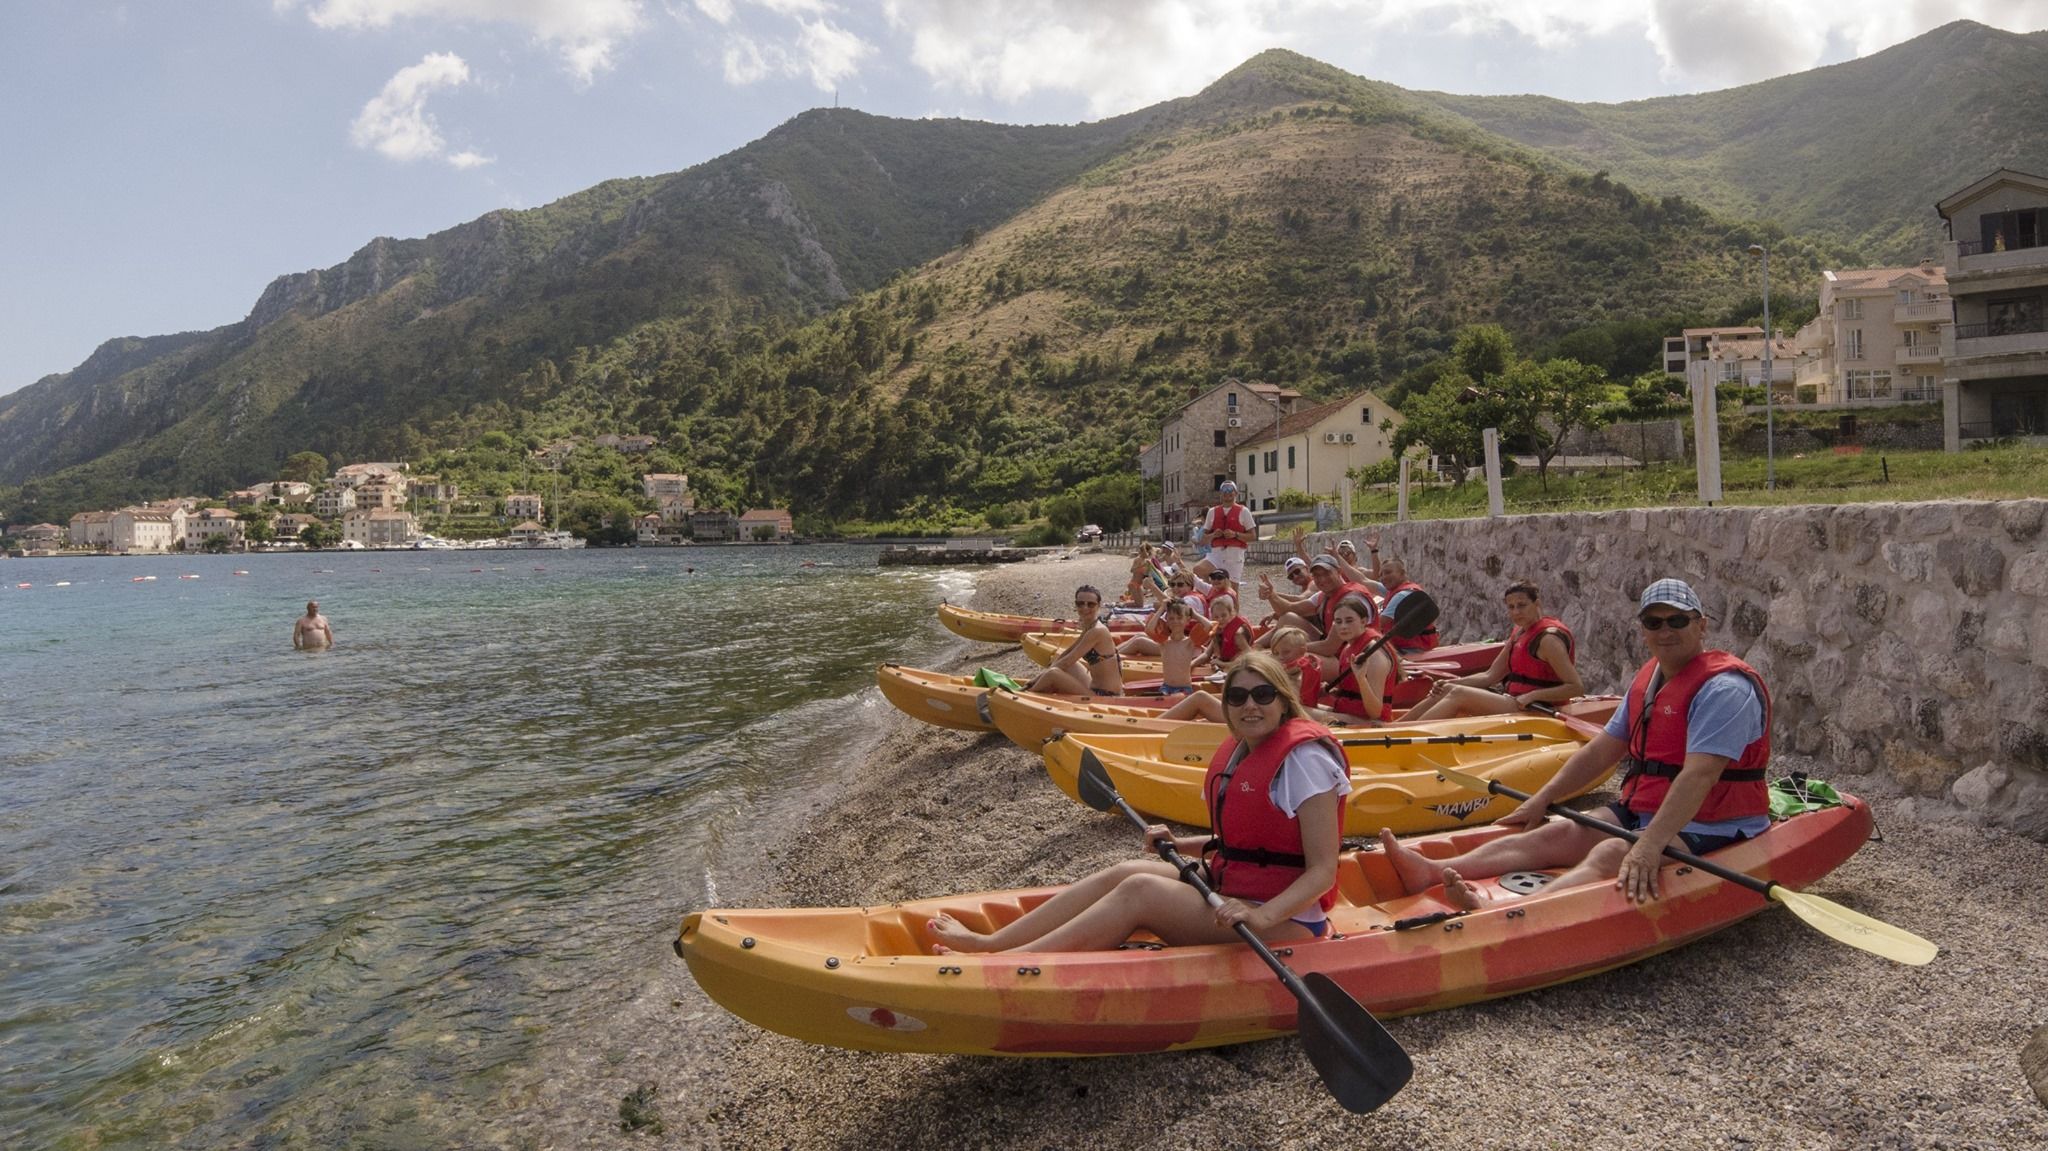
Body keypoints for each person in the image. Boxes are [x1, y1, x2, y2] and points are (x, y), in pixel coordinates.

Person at [1377, 578, 1773, 910]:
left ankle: (1506, 912)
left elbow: (1699, 775)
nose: (1665, 630)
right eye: (1654, 622)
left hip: (1716, 821)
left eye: (1677, 620)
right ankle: (1431, 871)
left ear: (1701, 625)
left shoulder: (1724, 689)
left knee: (1609, 854)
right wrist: (1544, 797)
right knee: (1554, 832)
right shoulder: (1651, 677)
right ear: (1643, 630)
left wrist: (1649, 846)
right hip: (1646, 806)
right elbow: (1603, 748)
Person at [928, 651, 1350, 952]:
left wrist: (1262, 917)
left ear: (1282, 699)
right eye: (1237, 698)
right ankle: (992, 943)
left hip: (1287, 921)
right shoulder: (1246, 748)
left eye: (1262, 695)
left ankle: (1011, 963)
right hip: (1234, 891)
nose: (1250, 706)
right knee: (1127, 869)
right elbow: (1251, 843)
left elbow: (1322, 870)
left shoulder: (1304, 760)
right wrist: (1185, 845)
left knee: (1141, 889)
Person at [1402, 581, 1583, 721]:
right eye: (1511, 607)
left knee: (1459, 694)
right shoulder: (1519, 632)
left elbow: (1575, 687)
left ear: (1537, 604)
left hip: (1537, 706)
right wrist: (1446, 682)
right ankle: (1395, 727)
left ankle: (1403, 737)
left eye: (1522, 605)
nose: (1516, 611)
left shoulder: (1548, 639)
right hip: (1516, 700)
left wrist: (1532, 695)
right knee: (1449, 688)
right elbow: (1489, 676)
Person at [1027, 586, 1125, 697]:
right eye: (1080, 603)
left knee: (1053, 673)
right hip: (1095, 687)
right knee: (1057, 660)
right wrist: (1037, 678)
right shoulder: (1090, 627)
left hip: (1106, 695)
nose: (1085, 607)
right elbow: (1067, 653)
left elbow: (1067, 662)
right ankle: (1040, 689)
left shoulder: (1098, 631)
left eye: (1090, 604)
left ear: (1098, 605)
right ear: (1076, 604)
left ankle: (1028, 694)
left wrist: (1037, 679)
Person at [1317, 596, 1397, 722]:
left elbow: (1375, 713)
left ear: (1364, 621)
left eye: (1349, 621)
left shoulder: (1375, 657)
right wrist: (1336, 692)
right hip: (1349, 712)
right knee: (1297, 707)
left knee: (1299, 714)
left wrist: (1361, 679)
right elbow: (1354, 693)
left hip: (1371, 723)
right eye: (1338, 622)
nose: (1343, 626)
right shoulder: (1349, 646)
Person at [1362, 541, 1438, 654]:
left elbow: (1379, 623)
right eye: (1381, 574)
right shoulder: (1393, 589)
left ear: (1402, 573)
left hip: (1413, 649)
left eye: (1388, 572)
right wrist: (1337, 559)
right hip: (1401, 645)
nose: (1383, 577)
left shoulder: (1403, 595)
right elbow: (1363, 581)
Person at [1190, 481, 1256, 583]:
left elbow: (1252, 536)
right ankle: (1211, 590)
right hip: (1215, 555)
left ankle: (1222, 593)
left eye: (1230, 489)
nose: (1227, 492)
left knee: (1233, 590)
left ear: (1236, 493)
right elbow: (1203, 540)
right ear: (1220, 494)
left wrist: (1235, 534)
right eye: (1224, 490)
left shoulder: (1244, 511)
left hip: (1234, 555)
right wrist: (1213, 535)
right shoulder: (1212, 512)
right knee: (1198, 569)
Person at [1153, 600, 1201, 698]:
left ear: (1187, 620)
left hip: (1184, 688)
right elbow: (1149, 629)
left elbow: (1209, 626)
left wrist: (1194, 614)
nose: (1175, 621)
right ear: (1167, 620)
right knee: (1162, 698)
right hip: (1166, 687)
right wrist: (1161, 609)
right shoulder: (1164, 642)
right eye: (1171, 618)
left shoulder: (1189, 642)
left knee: (1176, 698)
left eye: (1179, 618)